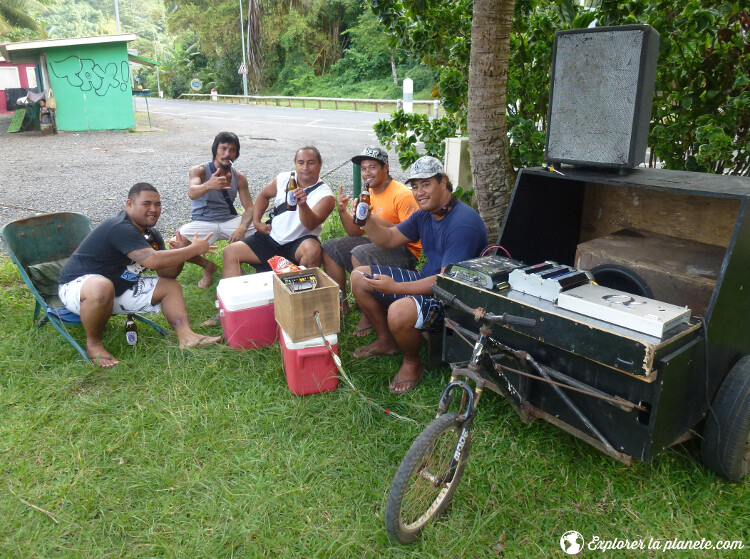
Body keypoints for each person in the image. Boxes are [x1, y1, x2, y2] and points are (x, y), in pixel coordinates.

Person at [350, 156, 488, 394]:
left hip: (453, 300)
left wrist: (394, 287)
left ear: (443, 182)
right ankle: (386, 340)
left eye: (426, 184)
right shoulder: (426, 213)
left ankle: (412, 362)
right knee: (358, 277)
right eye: (414, 186)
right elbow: (389, 238)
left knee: (399, 311)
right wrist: (367, 219)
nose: (419, 192)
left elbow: (445, 282)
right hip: (431, 283)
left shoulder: (463, 222)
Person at [57, 183, 222, 368]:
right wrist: (193, 249)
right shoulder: (119, 226)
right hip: (79, 291)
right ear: (129, 204)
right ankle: (94, 345)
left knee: (170, 286)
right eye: (147, 204)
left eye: (158, 204)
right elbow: (152, 261)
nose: (154, 209)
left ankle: (187, 336)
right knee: (101, 285)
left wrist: (182, 252)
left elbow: (168, 273)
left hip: (118, 290)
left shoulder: (151, 234)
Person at [322, 146, 421, 336]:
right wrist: (343, 211)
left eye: (372, 167)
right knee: (330, 246)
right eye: (364, 168)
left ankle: (368, 314)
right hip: (374, 242)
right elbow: (355, 232)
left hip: (405, 251)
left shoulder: (402, 194)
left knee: (360, 252)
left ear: (386, 168)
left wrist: (373, 220)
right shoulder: (367, 195)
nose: (367, 173)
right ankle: (341, 305)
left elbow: (412, 232)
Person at [220, 146, 335, 278]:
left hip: (298, 243)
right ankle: (235, 296)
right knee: (231, 252)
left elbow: (310, 224)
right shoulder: (284, 178)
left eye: (311, 163)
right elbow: (263, 195)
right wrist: (257, 222)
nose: (305, 167)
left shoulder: (326, 195)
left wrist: (303, 205)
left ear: (320, 165)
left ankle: (304, 292)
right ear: (295, 164)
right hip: (271, 237)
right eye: (301, 162)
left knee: (312, 250)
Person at [177, 131, 254, 289]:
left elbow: (250, 208)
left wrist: (242, 227)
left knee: (263, 229)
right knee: (178, 243)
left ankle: (257, 266)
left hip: (228, 220)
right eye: (223, 148)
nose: (227, 154)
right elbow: (192, 193)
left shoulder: (239, 177)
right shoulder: (199, 170)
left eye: (232, 150)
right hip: (203, 222)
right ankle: (208, 266)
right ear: (215, 149)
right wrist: (208, 185)